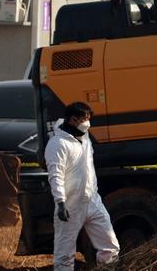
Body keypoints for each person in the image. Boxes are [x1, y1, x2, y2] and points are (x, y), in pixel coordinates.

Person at [45, 102, 119, 271]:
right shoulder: (57, 144)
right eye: (85, 119)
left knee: (110, 248)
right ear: (73, 119)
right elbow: (55, 175)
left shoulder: (85, 140)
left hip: (93, 201)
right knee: (64, 255)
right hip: (71, 205)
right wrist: (61, 202)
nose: (88, 123)